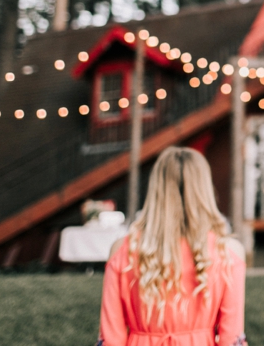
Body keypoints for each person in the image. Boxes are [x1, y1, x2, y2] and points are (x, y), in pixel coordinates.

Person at [98, 147, 247, 346]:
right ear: (204, 189)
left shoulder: (122, 250)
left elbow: (110, 338)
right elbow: (231, 339)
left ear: (156, 189)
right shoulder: (229, 252)